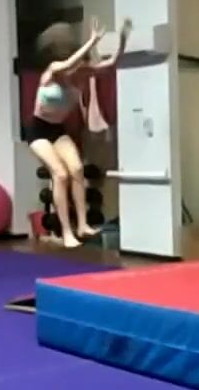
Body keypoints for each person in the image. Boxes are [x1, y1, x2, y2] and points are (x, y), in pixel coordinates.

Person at [28, 16, 131, 248]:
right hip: (37, 130)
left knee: (76, 169)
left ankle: (82, 225)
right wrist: (92, 41)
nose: (75, 70)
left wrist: (123, 40)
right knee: (60, 174)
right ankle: (66, 232)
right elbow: (67, 63)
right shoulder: (52, 71)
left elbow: (112, 63)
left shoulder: (81, 76)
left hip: (57, 129)